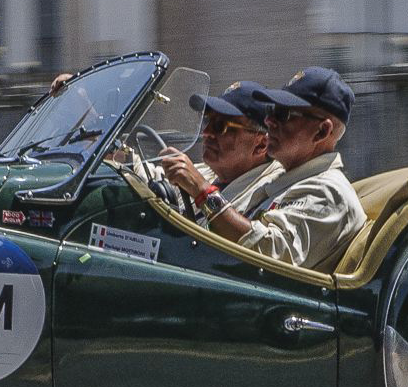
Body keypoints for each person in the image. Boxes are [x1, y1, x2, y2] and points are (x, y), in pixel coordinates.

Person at [163, 67, 366, 272]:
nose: (269, 122)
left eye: (283, 114)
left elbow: (269, 257)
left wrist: (203, 192)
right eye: (271, 111)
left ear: (322, 131)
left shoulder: (328, 192)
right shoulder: (284, 182)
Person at [139, 81, 282, 223]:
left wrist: (202, 190)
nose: (206, 132)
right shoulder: (208, 172)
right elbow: (156, 179)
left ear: (261, 145)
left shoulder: (272, 192)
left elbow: (252, 241)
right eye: (207, 121)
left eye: (221, 126)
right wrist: (124, 157)